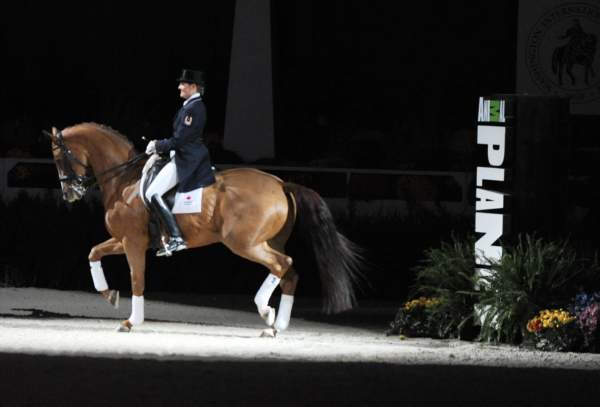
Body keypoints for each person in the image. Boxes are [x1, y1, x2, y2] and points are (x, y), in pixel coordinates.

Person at [144, 69, 216, 256]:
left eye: (183, 84)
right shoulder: (189, 106)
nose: (179, 87)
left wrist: (157, 145)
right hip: (183, 154)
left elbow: (180, 140)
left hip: (188, 158)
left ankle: (176, 237)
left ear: (193, 87)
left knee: (152, 192)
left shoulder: (194, 108)